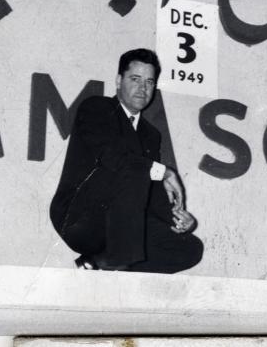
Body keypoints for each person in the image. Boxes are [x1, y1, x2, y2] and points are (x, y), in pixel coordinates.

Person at [49, 48, 203, 273]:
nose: (143, 88)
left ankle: (98, 262)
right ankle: (120, 259)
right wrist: (165, 172)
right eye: (135, 79)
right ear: (119, 81)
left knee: (189, 248)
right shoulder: (97, 107)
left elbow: (151, 193)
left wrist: (177, 220)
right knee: (132, 169)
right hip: (81, 217)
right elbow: (115, 159)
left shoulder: (151, 134)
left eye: (149, 82)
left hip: (121, 226)